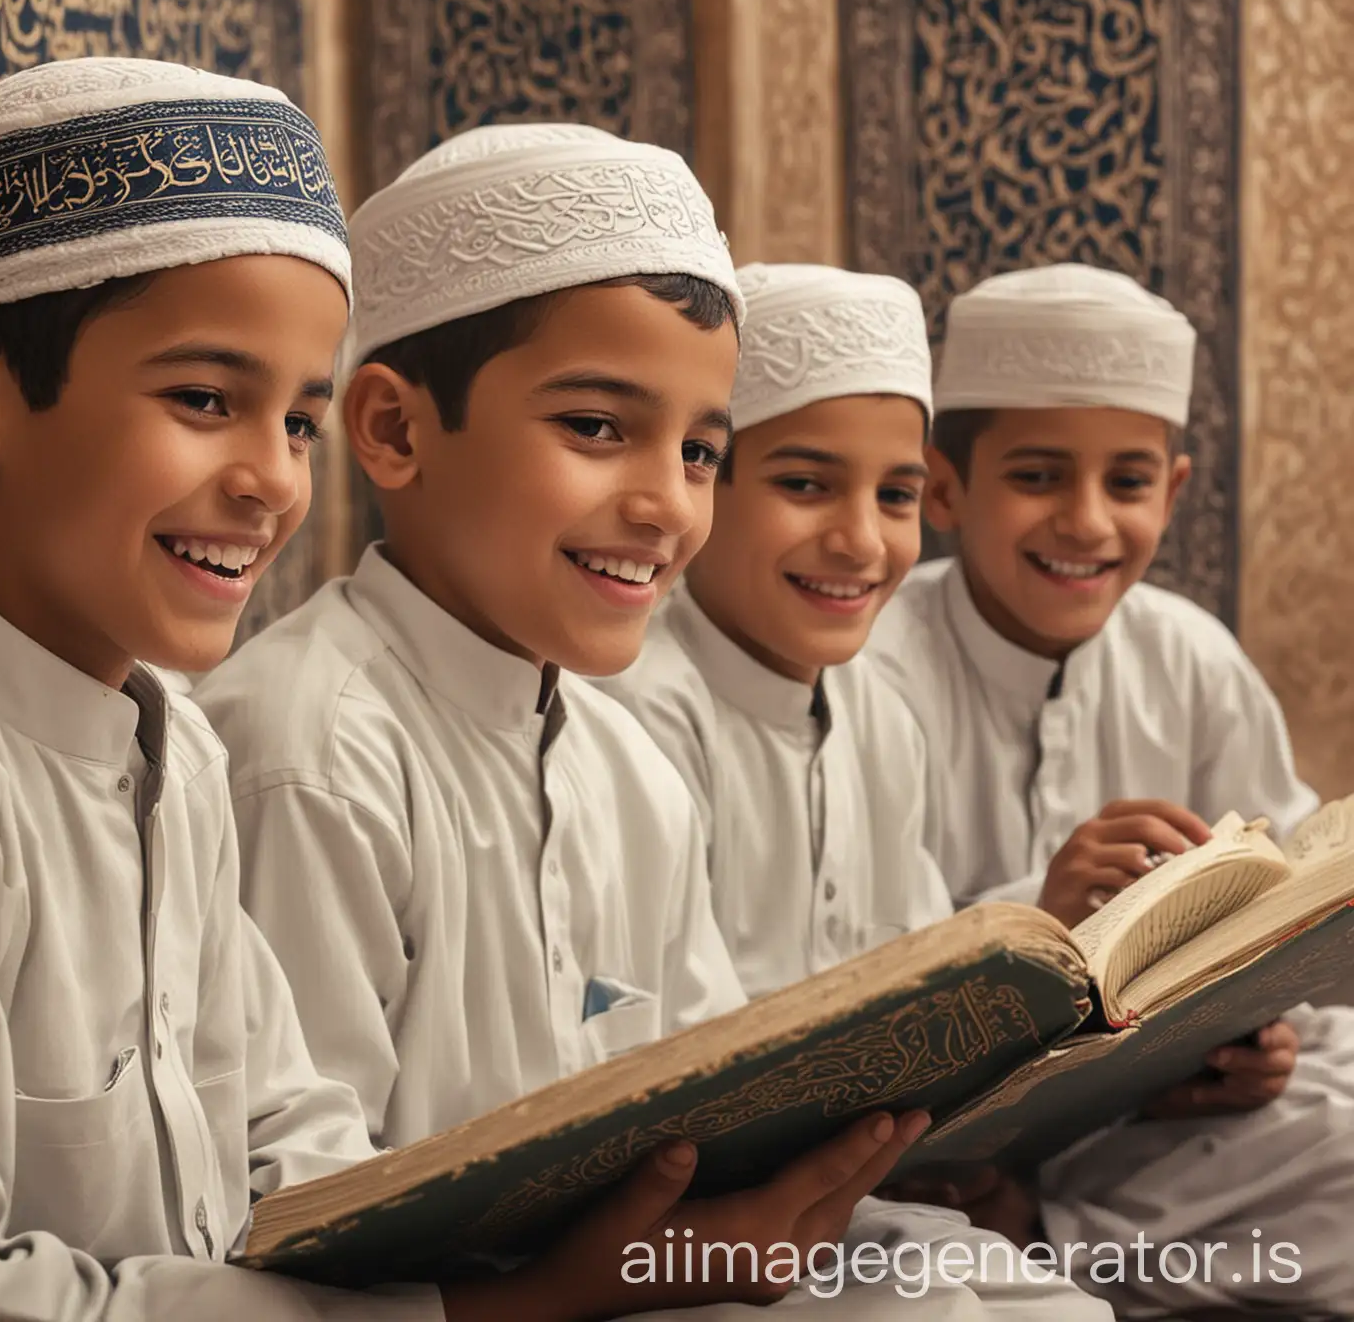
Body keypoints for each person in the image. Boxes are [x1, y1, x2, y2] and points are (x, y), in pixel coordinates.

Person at [200, 129, 1110, 1320]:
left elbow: (710, 1099)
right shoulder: (308, 753)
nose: (664, 505)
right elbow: (310, 1234)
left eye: (698, 452)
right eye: (595, 428)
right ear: (394, 430)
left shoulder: (618, 762)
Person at [0, 58, 673, 1322]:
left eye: (298, 424)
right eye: (207, 400)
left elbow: (290, 1131)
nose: (273, 482)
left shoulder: (178, 754)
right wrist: (514, 1307)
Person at [868, 262, 1354, 1316]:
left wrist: (1254, 1040)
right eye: (1039, 476)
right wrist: (1039, 921)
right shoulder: (871, 671)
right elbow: (855, 970)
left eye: (1127, 484)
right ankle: (1039, 1237)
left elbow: (1291, 917)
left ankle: (1043, 1234)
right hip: (940, 1126)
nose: (1087, 522)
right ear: (947, 488)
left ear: (1172, 491)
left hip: (1149, 1125)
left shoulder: (1189, 656)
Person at [597, 261, 951, 1000]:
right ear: (702, 481)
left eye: (896, 495)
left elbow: (927, 973)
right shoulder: (635, 716)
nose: (861, 541)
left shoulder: (883, 718)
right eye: (804, 485)